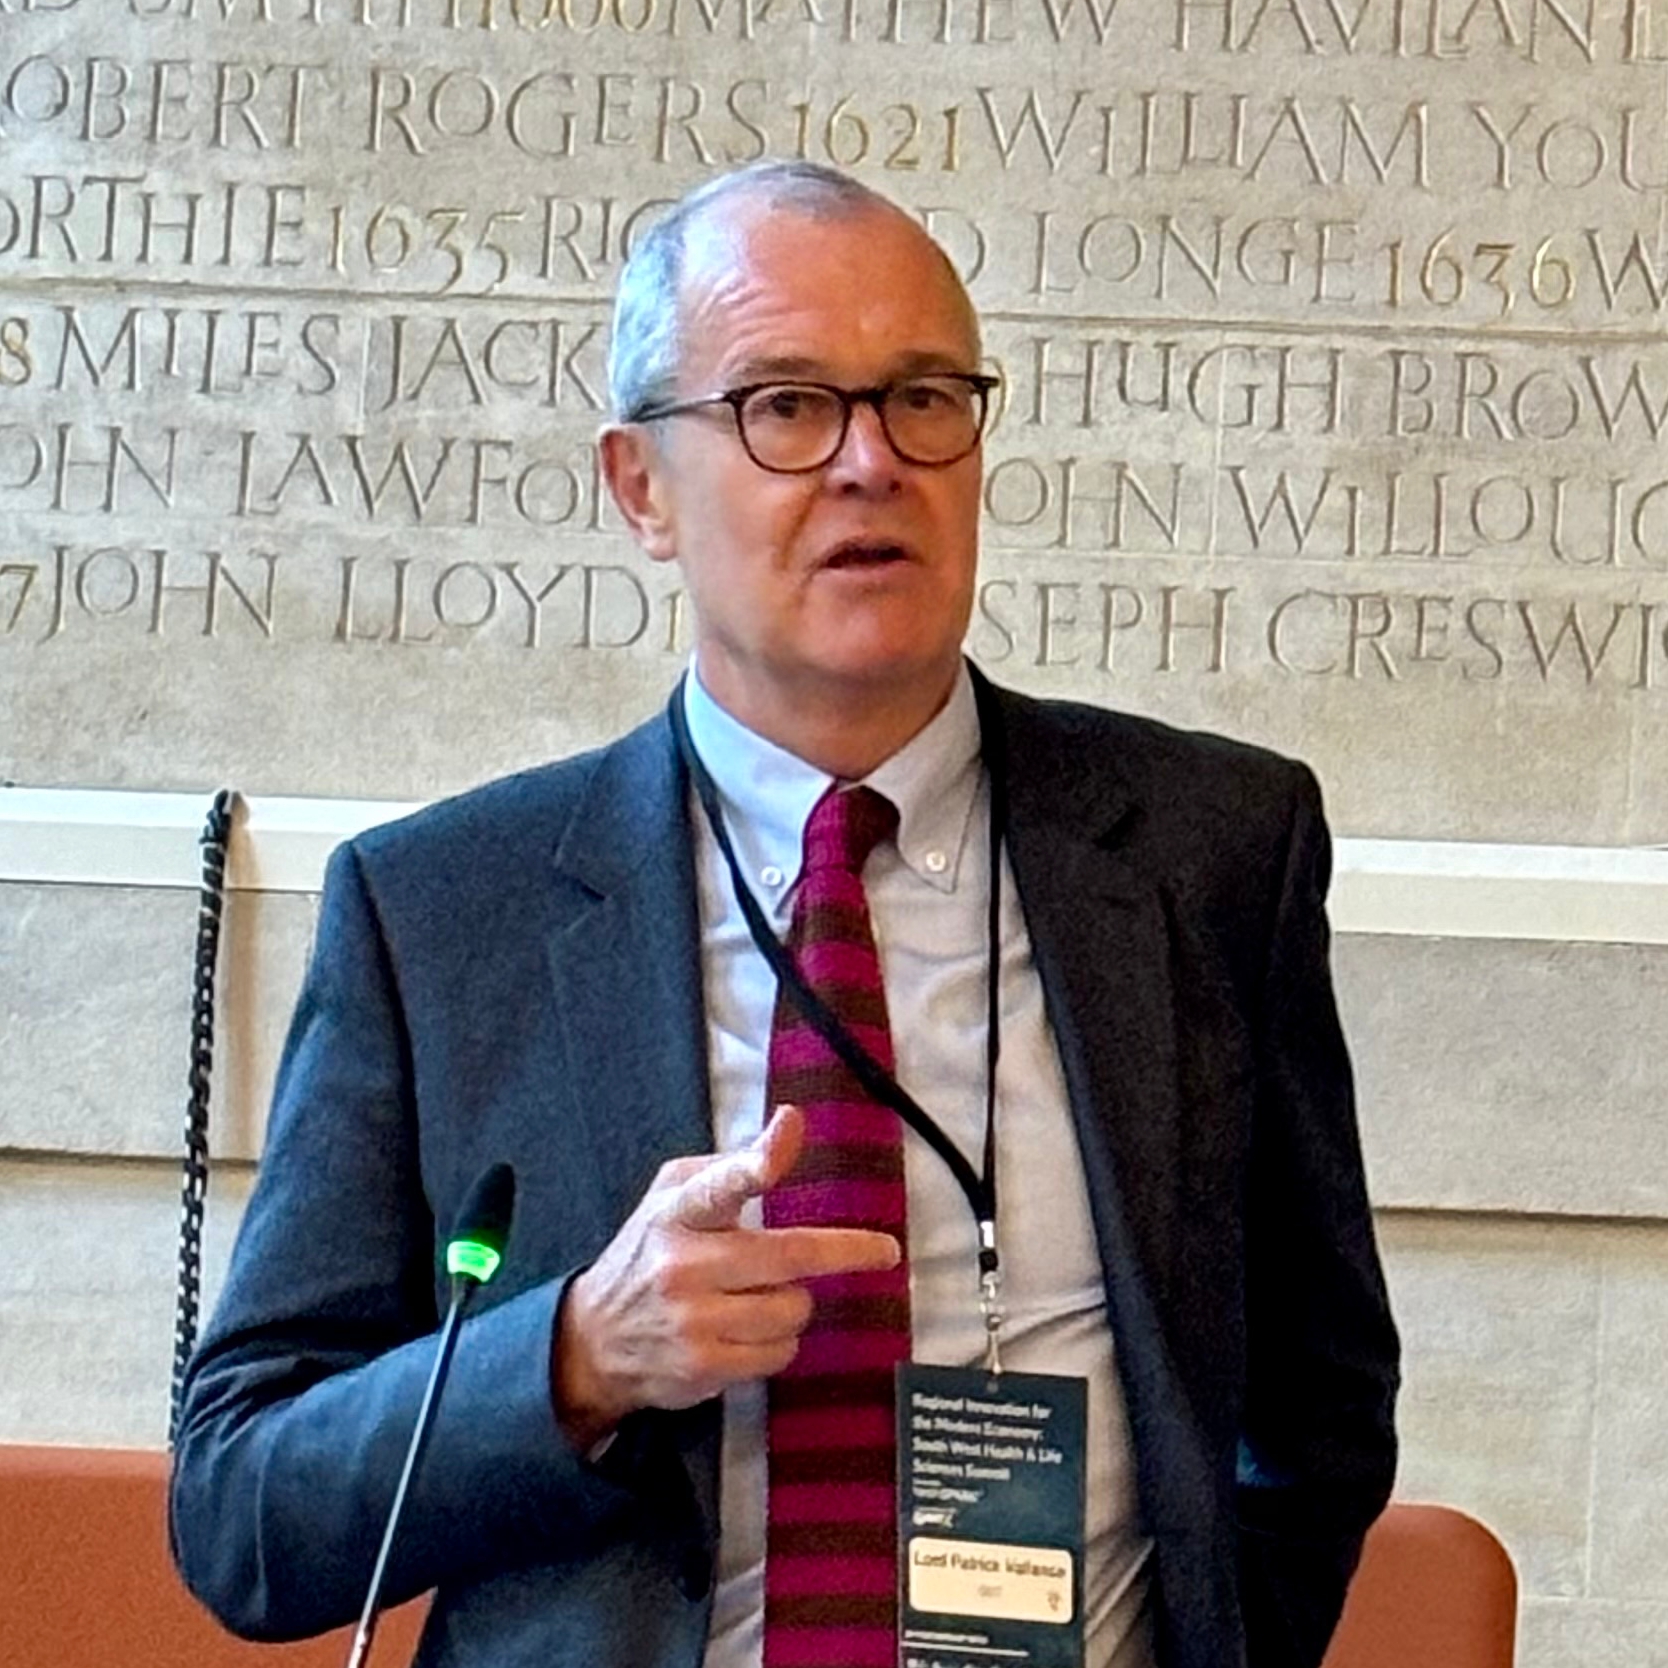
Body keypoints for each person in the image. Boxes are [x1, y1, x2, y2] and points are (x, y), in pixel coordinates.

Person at [170, 161, 1398, 1668]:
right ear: (641, 488)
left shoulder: (1213, 854)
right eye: (785, 405)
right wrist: (574, 1358)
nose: (871, 461)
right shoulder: (442, 912)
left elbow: (1321, 1400)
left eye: (924, 397)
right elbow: (241, 1510)